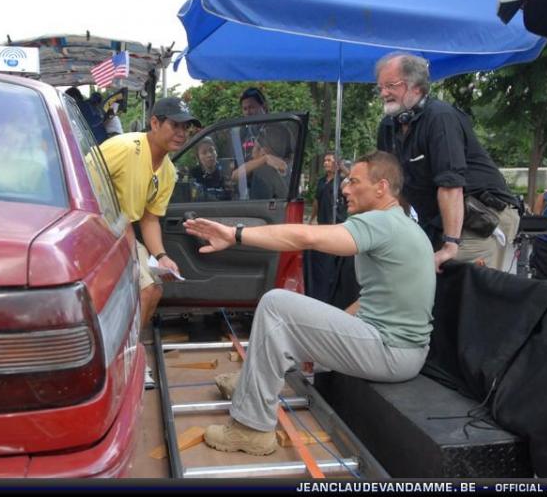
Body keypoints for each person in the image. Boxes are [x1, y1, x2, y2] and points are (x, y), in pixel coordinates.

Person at [183, 151, 436, 456]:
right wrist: (321, 335)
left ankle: (250, 430)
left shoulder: (381, 222)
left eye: (354, 182)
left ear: (381, 187)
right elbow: (372, 299)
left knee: (276, 305)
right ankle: (250, 384)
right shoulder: (402, 223)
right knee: (290, 319)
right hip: (400, 349)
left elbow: (306, 237)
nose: (344, 188)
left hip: (392, 352)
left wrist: (235, 234)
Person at [374, 52, 520, 272]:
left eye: (391, 86)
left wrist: (450, 245)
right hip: (441, 220)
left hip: (481, 216)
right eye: (380, 87)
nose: (383, 93)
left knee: (458, 276)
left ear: (416, 87)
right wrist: (399, 235)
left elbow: (450, 184)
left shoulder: (440, 118)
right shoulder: (387, 127)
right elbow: (394, 188)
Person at [99, 96, 201, 329]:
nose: (182, 133)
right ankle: (128, 349)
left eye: (186, 127)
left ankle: (134, 345)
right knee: (145, 291)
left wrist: (162, 256)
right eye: (175, 125)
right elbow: (78, 181)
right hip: (95, 231)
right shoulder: (124, 147)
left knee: (154, 290)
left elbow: (149, 218)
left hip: (123, 235)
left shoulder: (168, 172)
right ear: (155, 123)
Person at [307, 152, 347, 302]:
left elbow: (355, 180)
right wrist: (312, 219)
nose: (325, 163)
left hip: (337, 223)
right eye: (325, 160)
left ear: (336, 163)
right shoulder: (322, 181)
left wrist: (343, 168)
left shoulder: (342, 181)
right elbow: (317, 201)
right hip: (323, 222)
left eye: (329, 160)